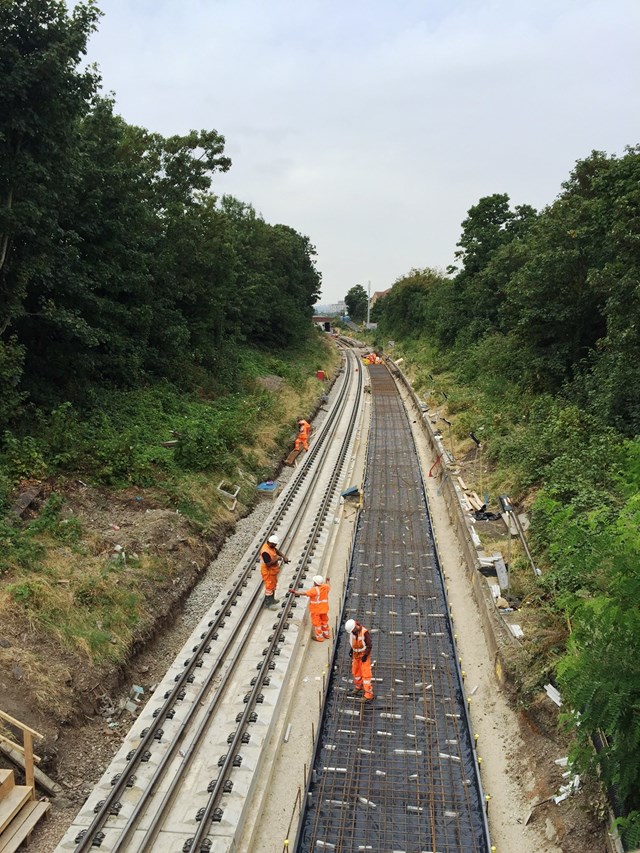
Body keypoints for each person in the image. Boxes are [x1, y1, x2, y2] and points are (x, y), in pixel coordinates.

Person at [289, 575, 331, 641]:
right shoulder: (325, 587)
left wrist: (295, 592)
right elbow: (328, 585)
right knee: (324, 622)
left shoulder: (314, 590)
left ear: (315, 583)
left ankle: (319, 638)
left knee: (317, 624)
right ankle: (326, 634)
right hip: (324, 609)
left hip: (316, 610)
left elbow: (304, 593)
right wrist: (328, 581)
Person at [344, 618, 373, 701]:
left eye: (353, 630)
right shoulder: (352, 632)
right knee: (356, 672)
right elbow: (353, 643)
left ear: (355, 626)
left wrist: (365, 655)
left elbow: (369, 645)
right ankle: (358, 686)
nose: (352, 631)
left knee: (366, 674)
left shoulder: (364, 632)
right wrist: (351, 650)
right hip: (356, 655)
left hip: (364, 655)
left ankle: (368, 694)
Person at [260, 534, 289, 609]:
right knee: (269, 587)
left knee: (273, 585)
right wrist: (277, 559)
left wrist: (284, 557)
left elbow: (276, 551)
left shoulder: (270, 546)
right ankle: (267, 604)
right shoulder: (265, 552)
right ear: (271, 543)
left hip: (272, 571)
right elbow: (268, 564)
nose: (275, 546)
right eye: (275, 544)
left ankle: (272, 600)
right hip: (268, 571)